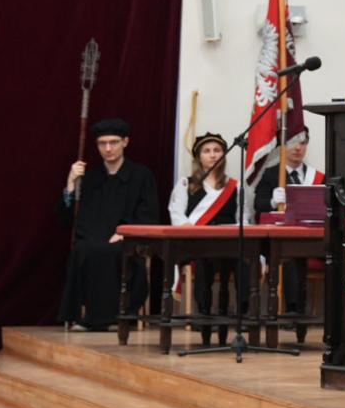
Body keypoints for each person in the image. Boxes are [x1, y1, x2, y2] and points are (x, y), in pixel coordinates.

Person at [58, 118, 160, 331]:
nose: (108, 148)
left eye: (113, 142)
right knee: (85, 250)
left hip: (127, 239)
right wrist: (70, 183)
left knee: (112, 252)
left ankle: (115, 316)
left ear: (125, 142)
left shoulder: (142, 175)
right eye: (102, 143)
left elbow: (148, 214)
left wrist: (126, 233)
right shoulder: (90, 177)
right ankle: (89, 317)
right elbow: (66, 218)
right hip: (93, 237)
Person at [169, 133, 243, 319]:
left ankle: (242, 313)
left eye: (217, 151)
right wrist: (187, 228)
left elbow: (244, 217)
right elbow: (176, 212)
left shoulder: (235, 186)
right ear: (198, 157)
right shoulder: (186, 184)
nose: (212, 155)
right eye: (207, 151)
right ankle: (204, 313)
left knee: (245, 262)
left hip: (228, 243)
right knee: (203, 260)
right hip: (199, 242)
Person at [252, 129, 324, 316]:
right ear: (282, 146)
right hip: (279, 240)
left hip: (310, 238)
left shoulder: (316, 177)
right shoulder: (270, 174)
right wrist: (272, 202)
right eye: (292, 142)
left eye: (302, 142)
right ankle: (293, 311)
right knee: (291, 256)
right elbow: (258, 205)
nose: (298, 148)